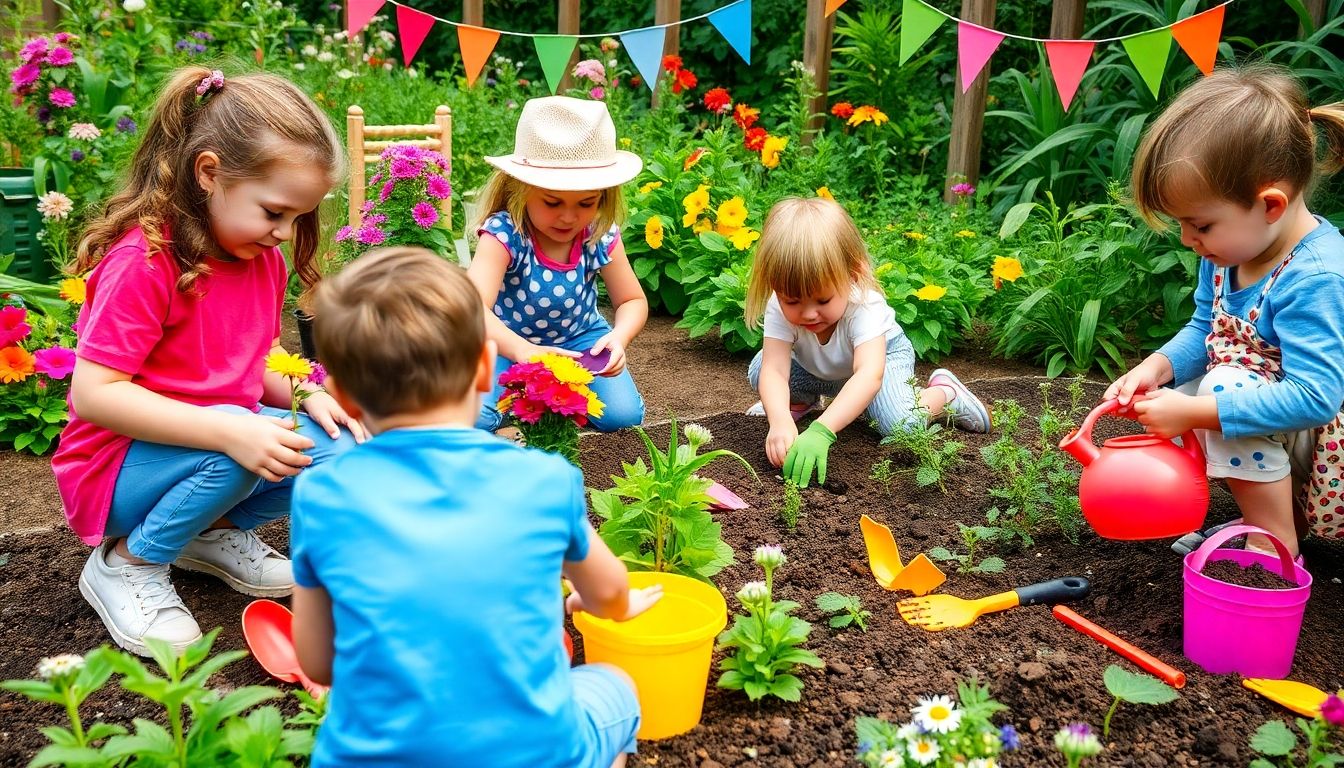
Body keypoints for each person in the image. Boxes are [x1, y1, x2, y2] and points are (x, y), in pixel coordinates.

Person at [292, 247, 661, 767]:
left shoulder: (322, 494)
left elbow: (318, 661)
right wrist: (590, 604)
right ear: (487, 368)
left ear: (343, 397)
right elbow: (611, 593)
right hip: (532, 753)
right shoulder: (544, 479)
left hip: (371, 757)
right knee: (613, 688)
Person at [52, 67, 364, 656]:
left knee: (339, 449)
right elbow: (94, 395)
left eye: (299, 217)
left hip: (207, 444)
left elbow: (247, 362)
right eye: (275, 212)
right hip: (115, 466)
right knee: (244, 442)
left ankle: (207, 532)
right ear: (209, 173)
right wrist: (230, 427)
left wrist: (304, 397)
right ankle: (125, 563)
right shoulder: (145, 261)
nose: (285, 233)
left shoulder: (260, 260)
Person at [1107, 64, 1344, 558]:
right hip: (1294, 426)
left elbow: (1317, 397)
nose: (1188, 240)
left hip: (1332, 444)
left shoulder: (1317, 277)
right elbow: (1205, 330)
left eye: (1201, 224)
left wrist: (1194, 410)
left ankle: (1272, 545)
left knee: (1218, 391)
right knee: (1196, 389)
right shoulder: (1230, 253)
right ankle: (1274, 518)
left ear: (1271, 205)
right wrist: (1156, 367)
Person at [744, 197, 991, 488]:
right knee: (760, 370)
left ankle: (945, 394)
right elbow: (775, 370)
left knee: (901, 425)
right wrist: (779, 420)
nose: (809, 313)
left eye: (823, 300)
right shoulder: (779, 303)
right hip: (821, 370)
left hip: (879, 364)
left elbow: (868, 375)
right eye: (792, 301)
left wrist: (823, 430)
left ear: (852, 276)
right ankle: (802, 402)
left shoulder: (864, 305)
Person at [467, 95, 648, 432]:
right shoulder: (505, 233)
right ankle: (526, 397)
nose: (568, 216)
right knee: (473, 417)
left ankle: (541, 395)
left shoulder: (599, 233)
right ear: (521, 189)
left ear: (603, 197)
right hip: (505, 341)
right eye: (552, 202)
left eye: (586, 202)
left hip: (581, 343)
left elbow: (632, 300)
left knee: (623, 418)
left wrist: (618, 339)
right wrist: (523, 351)